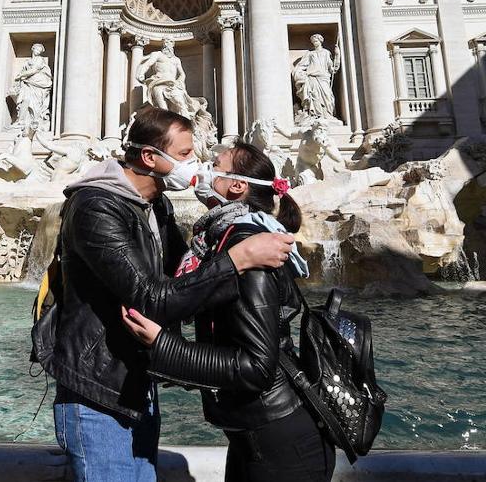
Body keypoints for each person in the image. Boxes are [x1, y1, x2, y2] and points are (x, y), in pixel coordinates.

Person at [48, 107, 297, 481]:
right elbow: (151, 299)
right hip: (95, 389)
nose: (194, 165)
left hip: (137, 380)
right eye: (184, 155)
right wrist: (235, 259)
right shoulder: (96, 206)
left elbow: (186, 278)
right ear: (150, 158)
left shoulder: (155, 204)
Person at [122, 141, 336, 482]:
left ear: (236, 185)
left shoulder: (249, 248)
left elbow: (256, 368)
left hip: (282, 444)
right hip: (255, 435)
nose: (203, 169)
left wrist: (164, 346)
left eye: (214, 163)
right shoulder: (224, 240)